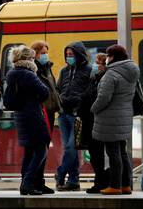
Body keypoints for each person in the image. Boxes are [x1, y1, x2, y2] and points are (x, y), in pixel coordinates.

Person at [91, 44, 139, 195]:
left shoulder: (111, 74)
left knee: (113, 153)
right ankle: (125, 184)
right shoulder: (131, 71)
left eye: (108, 55)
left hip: (110, 118)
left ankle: (115, 186)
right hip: (124, 117)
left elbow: (104, 97)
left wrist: (93, 108)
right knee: (122, 152)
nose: (106, 59)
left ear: (113, 57)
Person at [3, 45, 50, 195]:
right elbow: (44, 92)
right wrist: (35, 98)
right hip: (33, 114)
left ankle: (27, 183)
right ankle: (28, 182)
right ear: (27, 59)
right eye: (32, 57)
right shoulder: (29, 74)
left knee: (29, 151)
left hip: (20, 115)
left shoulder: (12, 73)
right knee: (42, 149)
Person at [55, 42, 91, 191]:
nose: (69, 57)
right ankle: (74, 180)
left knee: (71, 147)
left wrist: (74, 99)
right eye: (67, 55)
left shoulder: (88, 70)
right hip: (63, 115)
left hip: (77, 115)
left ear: (79, 54)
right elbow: (58, 88)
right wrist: (61, 99)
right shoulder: (64, 71)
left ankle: (61, 172)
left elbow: (89, 92)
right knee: (70, 149)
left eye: (72, 55)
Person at [77, 53, 109, 193]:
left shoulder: (104, 80)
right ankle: (99, 181)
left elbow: (97, 100)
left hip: (96, 122)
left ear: (104, 65)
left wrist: (88, 108)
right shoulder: (94, 79)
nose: (95, 65)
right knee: (95, 154)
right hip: (89, 121)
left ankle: (101, 182)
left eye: (98, 63)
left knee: (98, 154)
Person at [30, 40, 60, 194]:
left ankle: (39, 182)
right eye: (42, 53)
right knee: (39, 149)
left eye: (46, 52)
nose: (45, 55)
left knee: (44, 148)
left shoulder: (47, 68)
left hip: (49, 111)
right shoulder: (34, 70)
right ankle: (33, 182)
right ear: (34, 53)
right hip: (40, 112)